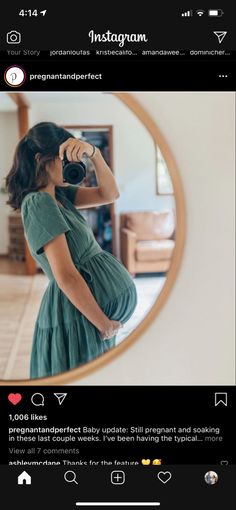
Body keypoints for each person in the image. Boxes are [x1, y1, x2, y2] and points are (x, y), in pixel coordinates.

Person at [5, 122, 138, 379]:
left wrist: (94, 154)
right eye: (63, 158)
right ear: (41, 159)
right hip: (81, 316)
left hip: (86, 316)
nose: (69, 165)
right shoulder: (38, 202)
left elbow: (110, 194)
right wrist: (103, 323)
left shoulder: (59, 196)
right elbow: (65, 274)